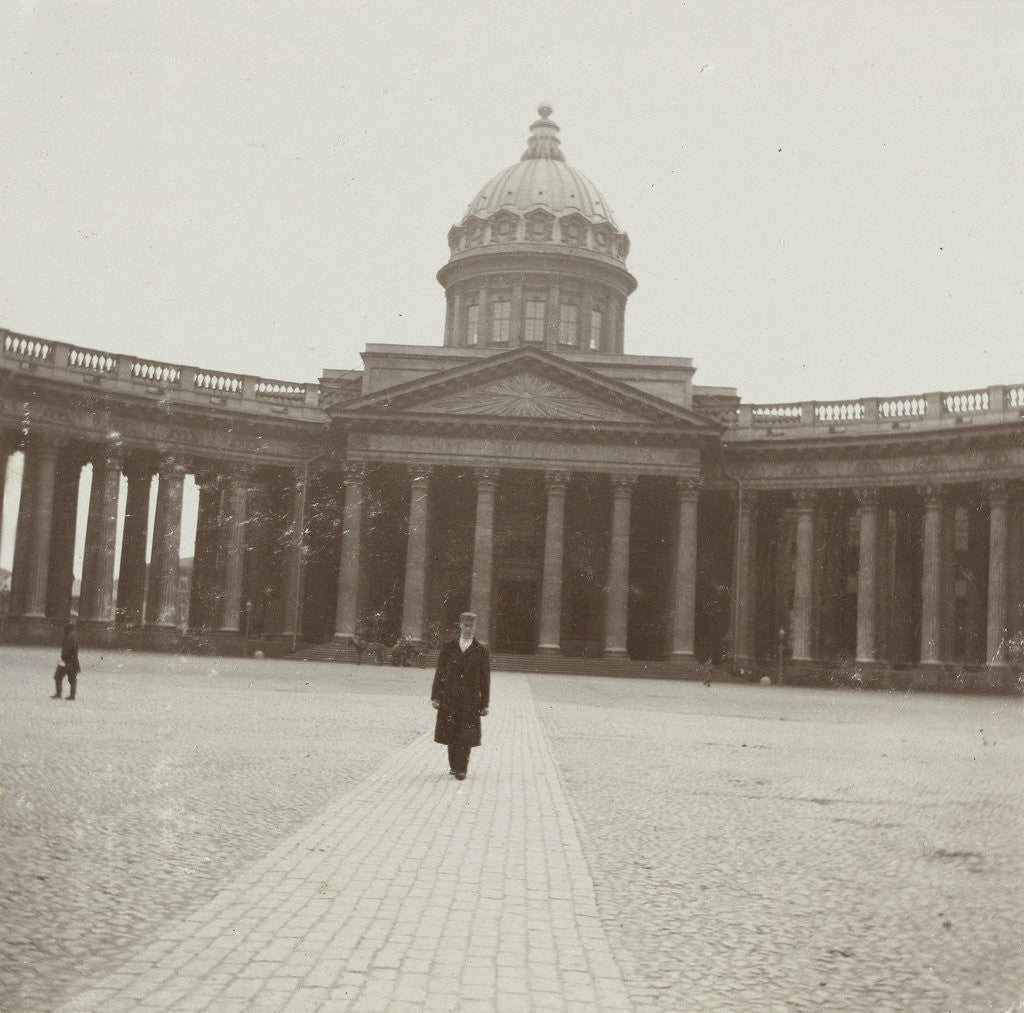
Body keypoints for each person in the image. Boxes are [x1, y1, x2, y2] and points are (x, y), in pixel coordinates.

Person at [431, 612, 490, 781]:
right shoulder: (448, 647)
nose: (468, 629)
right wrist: (435, 696)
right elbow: (440, 672)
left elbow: (485, 678)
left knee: (466, 733)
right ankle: (453, 765)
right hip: (449, 697)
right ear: (460, 626)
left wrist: (485, 703)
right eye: (465, 626)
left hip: (470, 700)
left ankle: (461, 768)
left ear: (475, 628)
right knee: (451, 731)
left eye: (471, 626)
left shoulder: (481, 650)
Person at [52, 621, 81, 701]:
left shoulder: (69, 637)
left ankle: (59, 693)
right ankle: (72, 695)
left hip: (67, 662)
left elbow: (66, 651)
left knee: (58, 676)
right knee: (72, 679)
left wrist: (63, 659)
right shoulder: (73, 637)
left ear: (67, 629)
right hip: (72, 661)